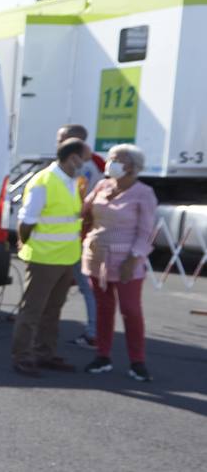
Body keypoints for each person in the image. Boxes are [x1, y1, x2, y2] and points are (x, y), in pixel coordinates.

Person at [80, 143, 157, 381]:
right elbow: (85, 212)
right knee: (104, 308)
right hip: (97, 256)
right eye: (111, 158)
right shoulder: (102, 185)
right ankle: (102, 355)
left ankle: (137, 361)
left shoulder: (143, 193)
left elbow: (146, 231)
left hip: (127, 260)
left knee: (130, 310)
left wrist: (133, 259)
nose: (111, 162)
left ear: (133, 167)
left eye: (117, 159)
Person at [11, 137, 87, 377]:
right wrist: (24, 242)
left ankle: (45, 352)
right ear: (72, 158)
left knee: (53, 310)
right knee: (33, 310)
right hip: (44, 258)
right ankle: (22, 356)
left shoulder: (71, 181)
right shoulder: (44, 180)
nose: (85, 163)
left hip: (64, 257)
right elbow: (27, 219)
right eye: (83, 158)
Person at [57, 124, 104, 348]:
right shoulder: (72, 165)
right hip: (68, 236)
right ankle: (43, 320)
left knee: (86, 286)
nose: (58, 143)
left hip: (79, 237)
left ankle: (93, 332)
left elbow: (83, 203)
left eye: (62, 138)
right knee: (60, 281)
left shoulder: (87, 166)